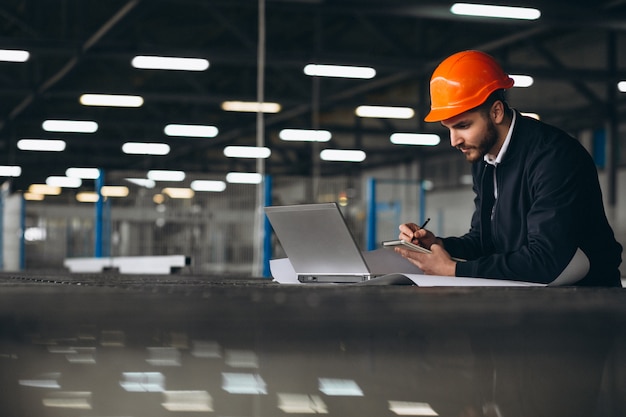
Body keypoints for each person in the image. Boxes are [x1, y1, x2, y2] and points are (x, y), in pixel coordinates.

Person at [395, 50, 622, 286]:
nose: (454, 141)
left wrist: (454, 270)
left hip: (589, 300)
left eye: (463, 125)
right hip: (531, 296)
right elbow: (485, 242)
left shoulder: (554, 157)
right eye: (448, 128)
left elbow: (547, 260)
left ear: (496, 112)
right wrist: (438, 245)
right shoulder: (485, 159)